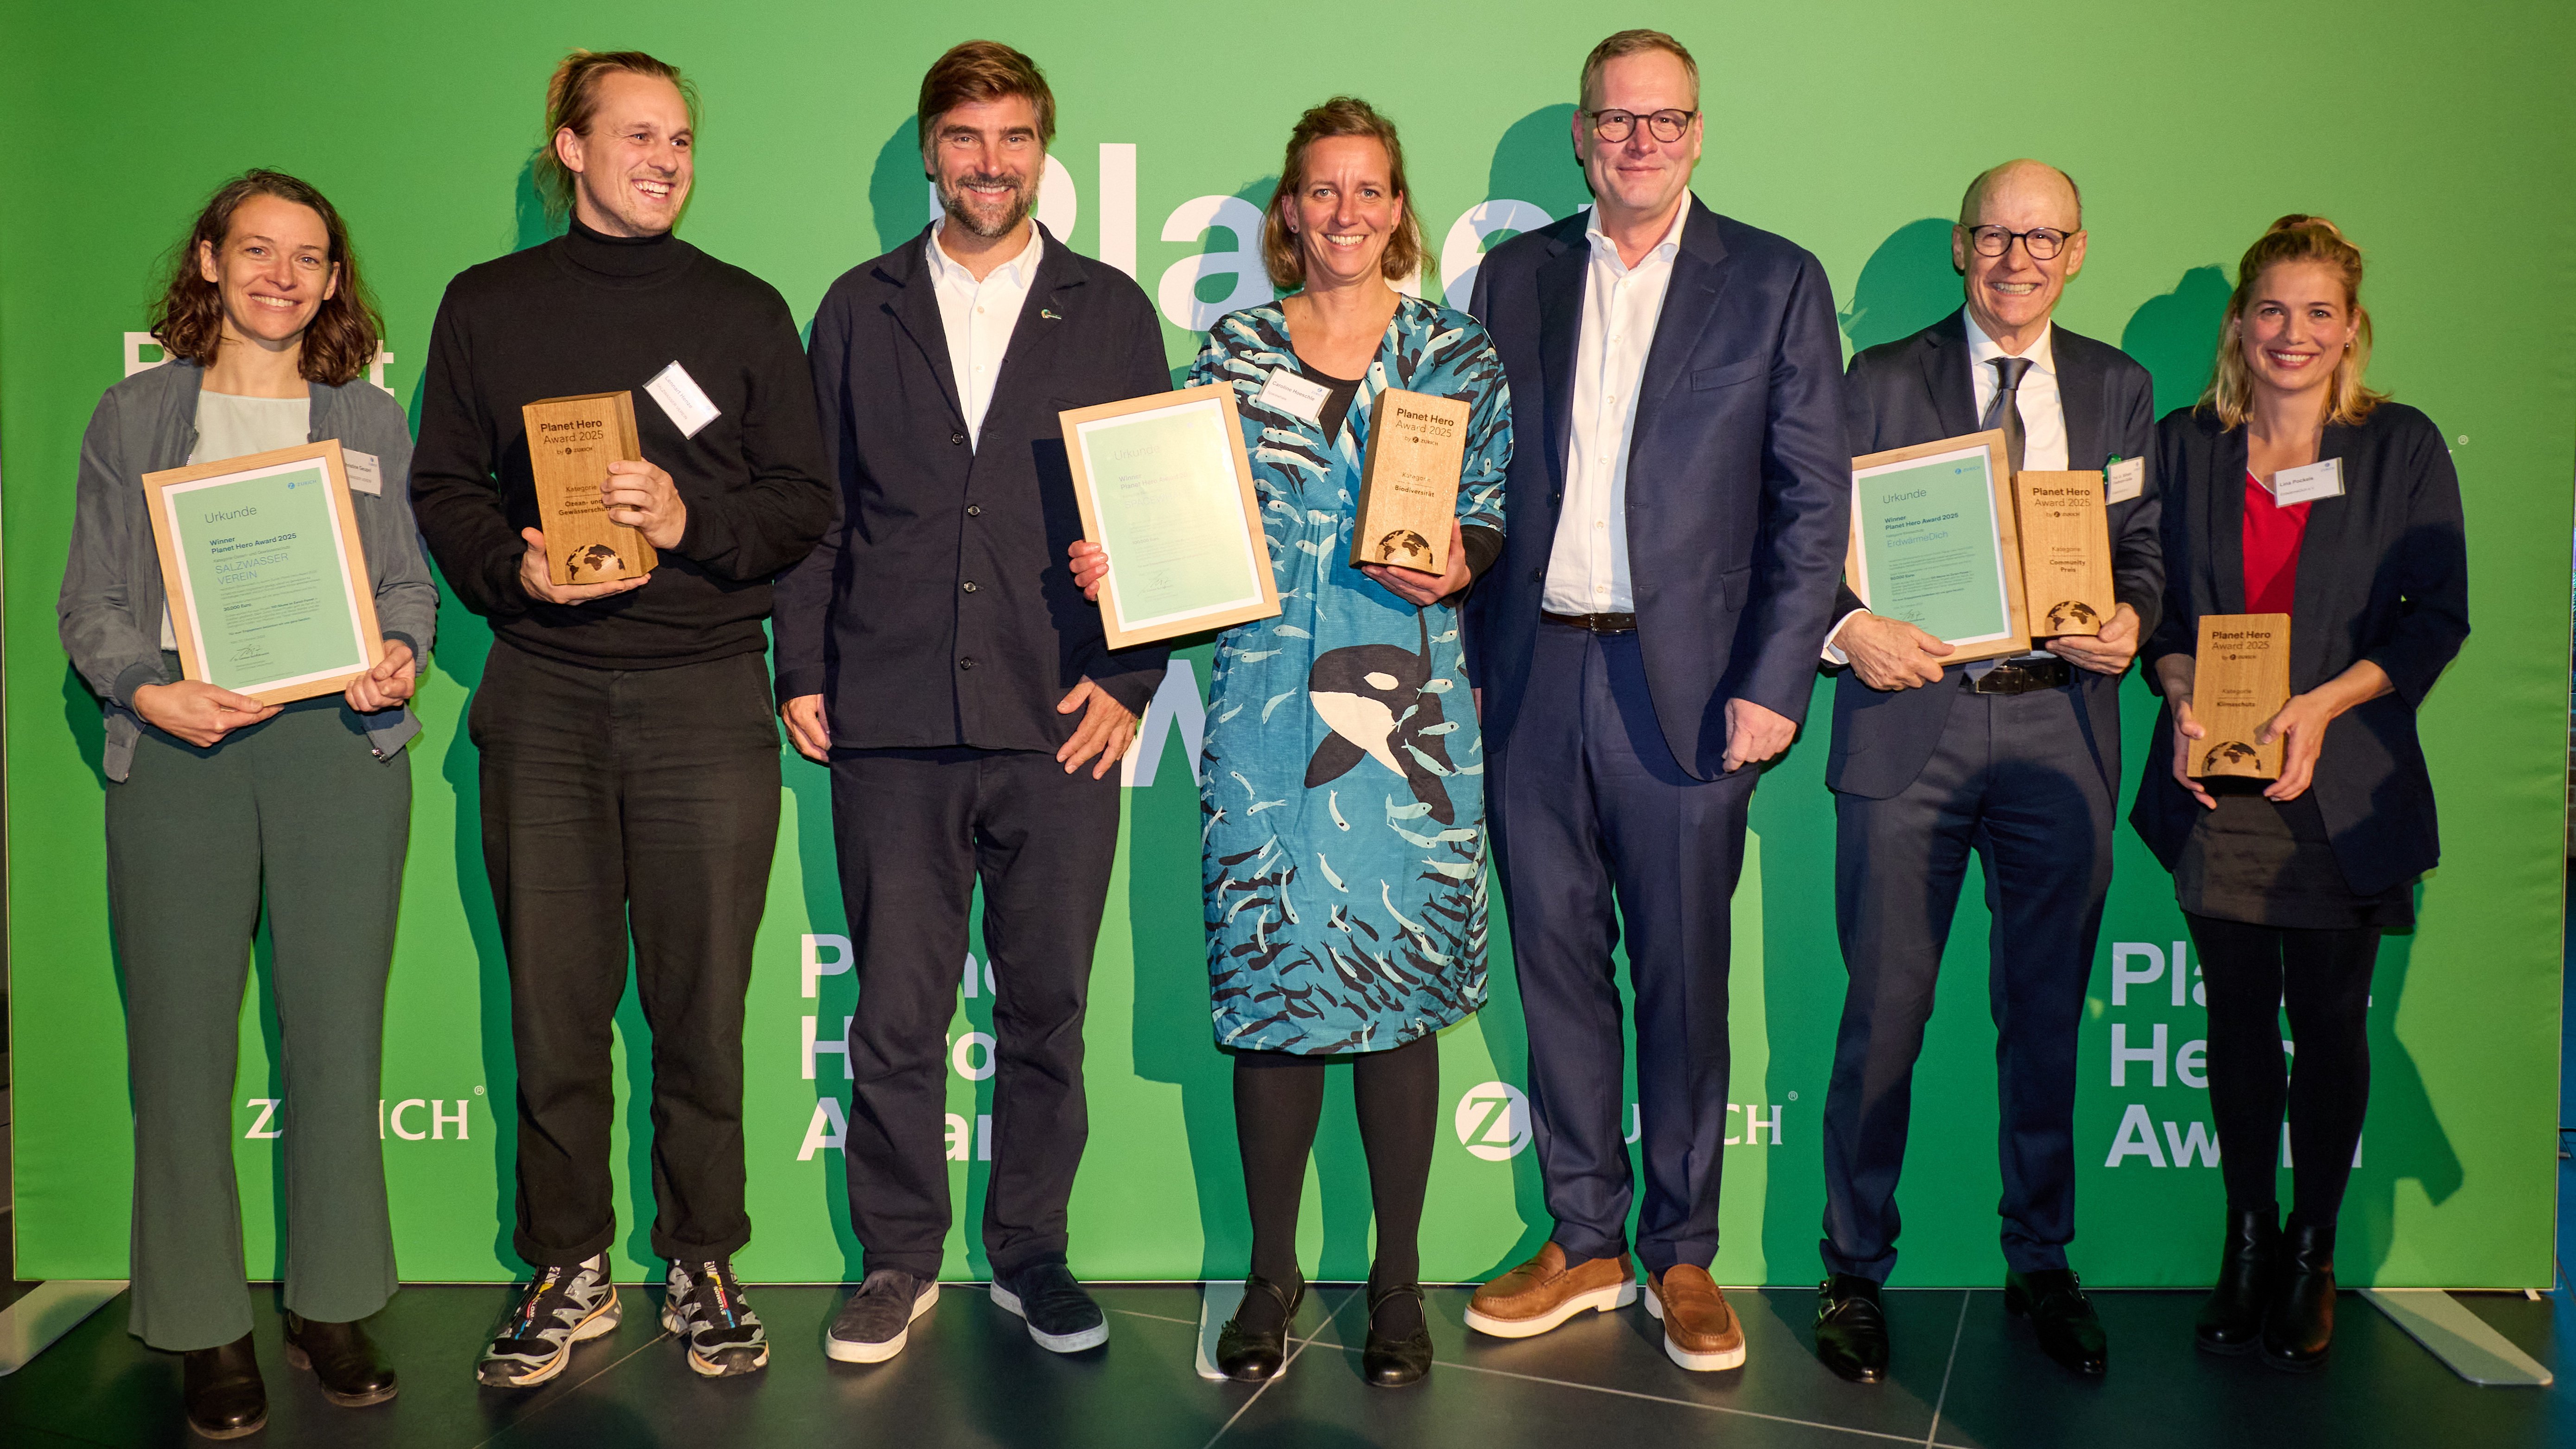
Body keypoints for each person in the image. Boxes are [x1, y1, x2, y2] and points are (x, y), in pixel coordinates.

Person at [409, 49, 833, 1386]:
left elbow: (803, 505)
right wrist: (507, 566)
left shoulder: (745, 311)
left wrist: (692, 516)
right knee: (555, 1003)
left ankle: (702, 1255)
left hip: (708, 692)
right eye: (637, 135)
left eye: (683, 139)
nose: (663, 158)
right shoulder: (486, 307)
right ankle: (567, 1261)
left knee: (703, 1007)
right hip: (540, 693)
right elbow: (442, 489)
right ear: (572, 149)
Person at [1076, 95, 1511, 1390]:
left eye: (1367, 189)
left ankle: (1392, 1279)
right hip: (1265, 711)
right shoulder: (1230, 350)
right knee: (1274, 989)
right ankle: (1268, 1275)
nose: (1343, 213)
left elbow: (1485, 513)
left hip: (1407, 710)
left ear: (1397, 208)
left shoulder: (1455, 354)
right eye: (1319, 191)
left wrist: (1459, 557)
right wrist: (1125, 562)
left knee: (1398, 991)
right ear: (1288, 213)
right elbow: (1183, 527)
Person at [1459, 30, 1850, 1373]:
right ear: (1580, 135)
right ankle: (1584, 1238)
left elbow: (1812, 501)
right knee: (1555, 964)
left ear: (1696, 133)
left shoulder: (1774, 282)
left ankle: (1683, 1250)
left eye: (1662, 119)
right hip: (1531, 670)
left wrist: (1772, 679)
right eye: (1614, 120)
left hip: (1689, 692)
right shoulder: (1510, 277)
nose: (1637, 141)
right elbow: (1462, 476)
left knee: (1681, 974)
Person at [776, 39, 1170, 1366]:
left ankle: (1030, 1254)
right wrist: (804, 665)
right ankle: (895, 1258)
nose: (988, 162)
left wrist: (1127, 676)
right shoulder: (857, 305)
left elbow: (1158, 517)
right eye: (963, 137)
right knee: (894, 1010)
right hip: (887, 721)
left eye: (1011, 138)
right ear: (930, 149)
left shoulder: (1109, 309)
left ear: (1041, 151)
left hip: (1057, 714)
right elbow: (816, 513)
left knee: (1043, 1008)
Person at [60, 169, 434, 1440]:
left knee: (334, 1043)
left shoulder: (369, 420)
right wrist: (148, 689)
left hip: (339, 753)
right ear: (210, 259)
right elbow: (90, 606)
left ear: (335, 281)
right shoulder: (135, 413)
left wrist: (394, 651)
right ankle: (204, 1319)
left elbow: (408, 591)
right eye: (257, 249)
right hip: (183, 758)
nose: (282, 273)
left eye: (309, 255)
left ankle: (328, 1301)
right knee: (181, 1054)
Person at [1811, 160, 2159, 1383]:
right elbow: (1807, 542)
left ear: (2075, 251)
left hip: (2060, 729)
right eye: (1994, 235)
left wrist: (2128, 623)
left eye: (2042, 236)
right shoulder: (1872, 380)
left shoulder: (2117, 387)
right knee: (1883, 1013)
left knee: (2046, 1010)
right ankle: (1852, 1265)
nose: (2017, 256)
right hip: (1914, 722)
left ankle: (2039, 1257)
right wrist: (1850, 625)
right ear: (1961, 249)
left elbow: (2142, 550)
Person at [2131, 215, 2466, 1372]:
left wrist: (2319, 709)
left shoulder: (2400, 446)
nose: (2292, 333)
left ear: (2351, 329)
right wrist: (2176, 692)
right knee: (2233, 1029)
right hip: (2218, 785)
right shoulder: (2186, 446)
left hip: (2341, 785)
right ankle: (2246, 1242)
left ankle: (2313, 1251)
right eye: (2272, 309)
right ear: (2239, 324)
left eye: (2318, 313)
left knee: (2325, 1027)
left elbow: (2436, 616)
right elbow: (2160, 613)